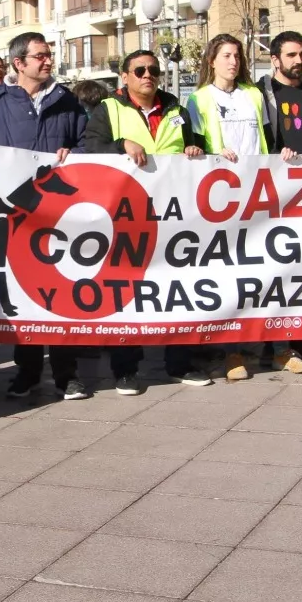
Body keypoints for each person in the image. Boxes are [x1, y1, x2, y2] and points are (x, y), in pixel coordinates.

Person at [0, 32, 91, 401]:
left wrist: (75, 153)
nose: (47, 61)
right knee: (25, 292)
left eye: (48, 55)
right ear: (18, 63)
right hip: (16, 217)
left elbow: (86, 145)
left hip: (59, 217)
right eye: (40, 56)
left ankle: (66, 373)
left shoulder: (66, 101)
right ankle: (27, 370)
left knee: (62, 291)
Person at [84, 50, 206, 389]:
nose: (147, 75)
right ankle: (126, 370)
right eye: (139, 70)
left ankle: (180, 363)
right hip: (127, 215)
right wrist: (120, 144)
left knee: (180, 289)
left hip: (173, 216)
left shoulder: (177, 110)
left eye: (153, 69)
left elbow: (194, 147)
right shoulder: (108, 109)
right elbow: (90, 151)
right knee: (126, 292)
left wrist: (195, 152)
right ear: (125, 77)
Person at [186, 34, 272, 381]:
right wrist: (211, 156)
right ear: (212, 61)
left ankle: (278, 347)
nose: (232, 61)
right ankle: (231, 352)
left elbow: (269, 137)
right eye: (225, 55)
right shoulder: (199, 99)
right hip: (222, 199)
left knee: (267, 270)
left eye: (236, 55)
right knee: (229, 276)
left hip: (259, 192)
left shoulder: (254, 95)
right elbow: (192, 149)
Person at [255, 31, 302, 370]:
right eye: (290, 55)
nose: (298, 60)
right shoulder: (261, 94)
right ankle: (269, 342)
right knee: (275, 272)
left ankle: (301, 338)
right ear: (275, 59)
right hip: (276, 194)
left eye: (301, 54)